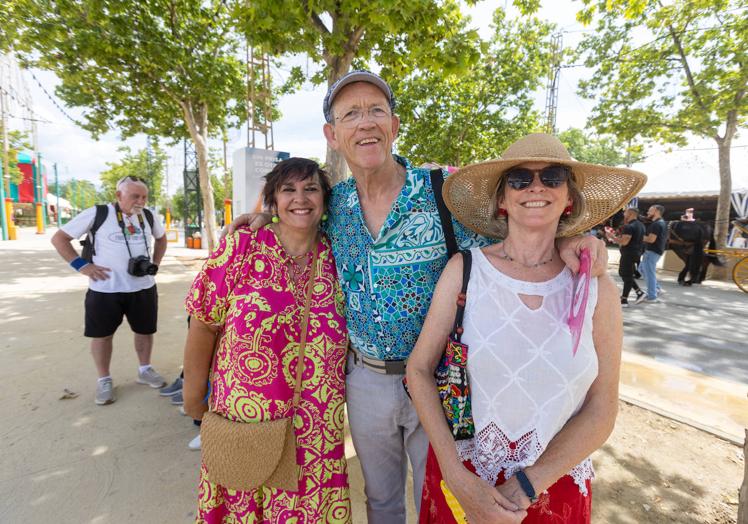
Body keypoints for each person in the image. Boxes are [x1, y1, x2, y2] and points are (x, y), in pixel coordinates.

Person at [228, 71, 608, 524]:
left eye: (376, 111)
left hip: (442, 383)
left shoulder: (445, 191)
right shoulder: (335, 204)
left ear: (395, 125)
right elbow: (297, 213)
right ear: (333, 134)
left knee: (443, 496)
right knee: (381, 498)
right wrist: (262, 216)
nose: (365, 123)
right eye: (350, 114)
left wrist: (572, 240)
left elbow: (522, 227)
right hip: (364, 379)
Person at [406, 133, 645, 524]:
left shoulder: (595, 288)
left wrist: (527, 485)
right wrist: (454, 474)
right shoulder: (464, 270)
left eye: (552, 177)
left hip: (553, 491)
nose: (536, 187)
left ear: (569, 198)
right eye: (519, 179)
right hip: (463, 483)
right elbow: (418, 371)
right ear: (502, 199)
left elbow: (602, 408)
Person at [182, 158, 351, 523]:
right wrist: (193, 398)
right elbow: (204, 323)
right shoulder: (242, 247)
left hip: (315, 432)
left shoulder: (338, 256)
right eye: (288, 190)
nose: (300, 198)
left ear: (324, 200)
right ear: (272, 200)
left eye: (311, 189)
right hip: (246, 425)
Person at [51, 176, 167, 405]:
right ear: (118, 195)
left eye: (144, 196)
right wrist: (81, 266)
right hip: (105, 290)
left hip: (143, 287)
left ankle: (145, 370)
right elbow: (60, 238)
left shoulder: (149, 215)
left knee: (145, 331)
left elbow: (161, 239)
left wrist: (155, 263)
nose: (140, 201)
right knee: (102, 335)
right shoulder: (98, 213)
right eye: (135, 196)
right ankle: (104, 379)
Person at [606, 208, 646, 307]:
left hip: (629, 253)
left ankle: (624, 300)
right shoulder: (641, 225)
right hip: (636, 253)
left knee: (626, 275)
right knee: (626, 274)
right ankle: (638, 292)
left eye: (625, 212)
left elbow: (624, 242)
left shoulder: (629, 226)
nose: (624, 214)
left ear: (631, 214)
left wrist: (612, 237)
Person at [640, 204, 668, 302]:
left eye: (650, 210)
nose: (648, 212)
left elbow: (651, 239)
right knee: (642, 269)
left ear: (656, 211)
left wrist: (638, 236)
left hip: (652, 251)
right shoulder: (661, 222)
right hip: (655, 251)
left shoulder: (656, 224)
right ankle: (657, 289)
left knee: (649, 273)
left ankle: (652, 296)